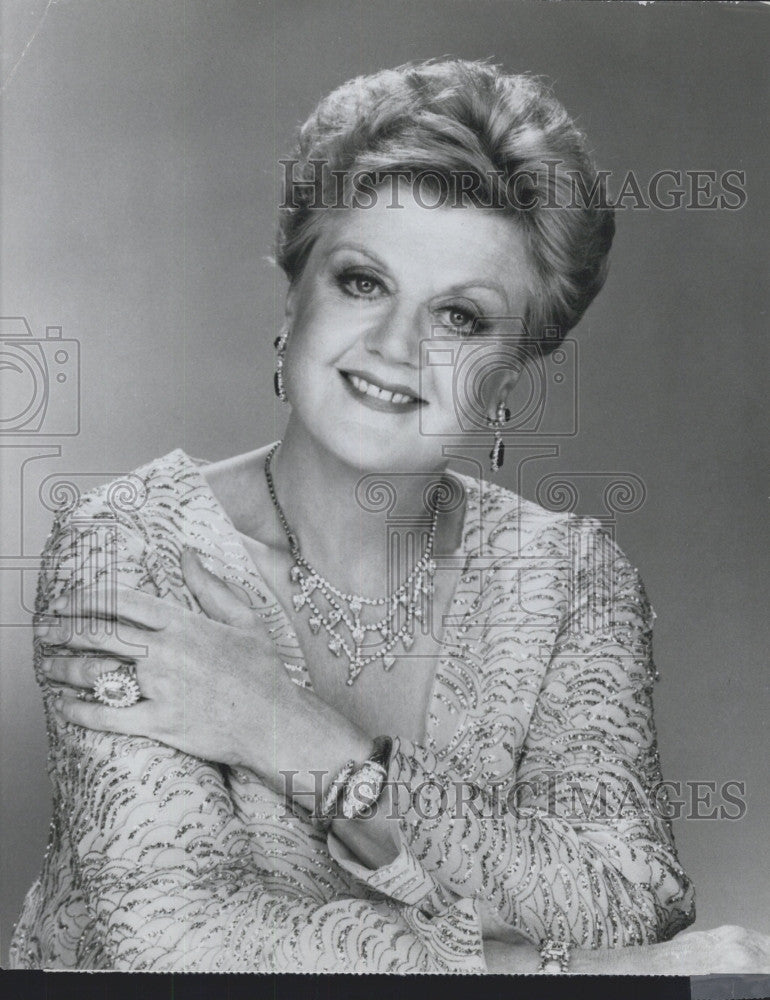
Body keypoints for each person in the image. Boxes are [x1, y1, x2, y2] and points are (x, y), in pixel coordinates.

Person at [9, 59, 768, 974]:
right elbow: (173, 941)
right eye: (363, 282)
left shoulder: (569, 579)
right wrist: (534, 969)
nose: (396, 348)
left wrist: (299, 736)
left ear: (512, 373)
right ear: (294, 296)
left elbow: (631, 902)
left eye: (459, 317)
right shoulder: (125, 547)